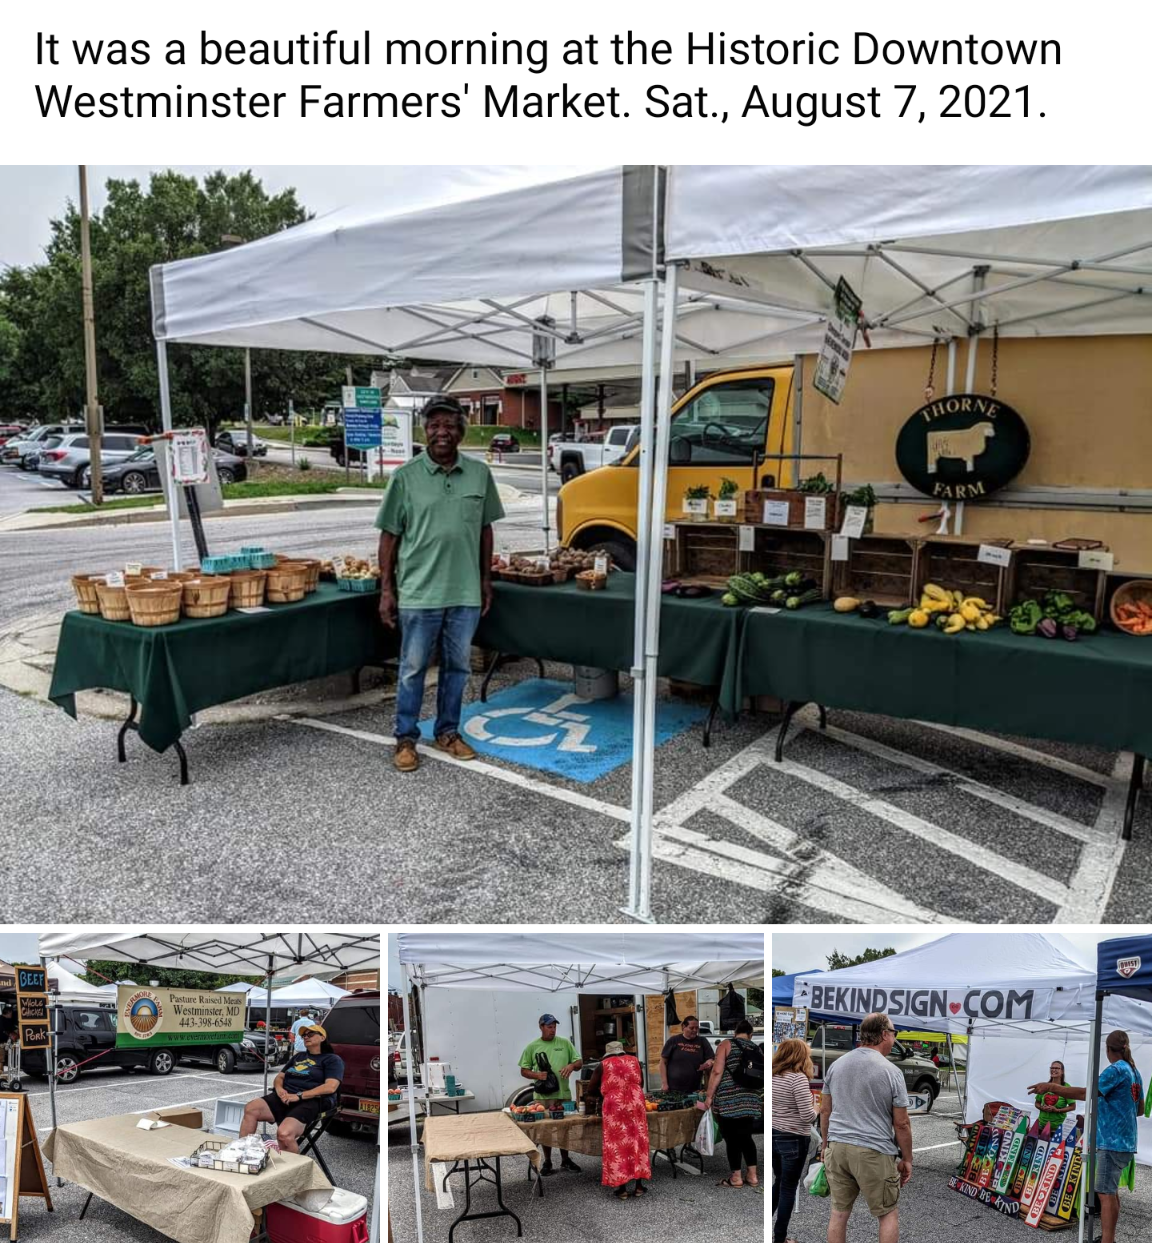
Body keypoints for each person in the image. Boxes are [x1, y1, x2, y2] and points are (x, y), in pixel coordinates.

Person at [376, 396, 505, 773]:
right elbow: (389, 537)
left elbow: (485, 531)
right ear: (425, 431)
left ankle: (448, 731)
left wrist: (485, 579)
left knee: (457, 667)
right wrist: (387, 589)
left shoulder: (479, 475)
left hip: (464, 592)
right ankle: (405, 738)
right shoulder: (405, 477)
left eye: (449, 424)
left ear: (461, 430)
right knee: (413, 668)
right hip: (419, 592)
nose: (441, 432)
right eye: (434, 425)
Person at [1028, 1030, 1144, 1243]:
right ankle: (1109, 1238)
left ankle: (1107, 1241)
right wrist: (1109, 1108)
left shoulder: (1116, 1069)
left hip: (1112, 1141)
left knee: (1105, 1194)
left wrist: (1051, 1087)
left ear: (1108, 1050)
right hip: (1126, 1141)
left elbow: (1085, 1093)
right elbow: (1139, 1109)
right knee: (1112, 1193)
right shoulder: (1134, 1071)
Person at [819, 1012, 912, 1243]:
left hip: (838, 1147)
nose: (894, 1038)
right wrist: (907, 1158)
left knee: (839, 1213)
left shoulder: (837, 1065)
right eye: (893, 1033)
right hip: (873, 1150)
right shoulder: (891, 1072)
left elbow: (825, 1110)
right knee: (887, 1213)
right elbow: (901, 1123)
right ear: (883, 1035)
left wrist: (825, 1143)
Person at [239, 1024, 343, 1154]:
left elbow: (331, 1086)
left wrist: (299, 1095)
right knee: (251, 1108)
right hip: (286, 1095)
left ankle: (291, 1171)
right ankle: (242, 1152)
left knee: (284, 1134)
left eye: (310, 1034)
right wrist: (279, 1089)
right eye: (304, 1035)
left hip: (313, 1100)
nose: (306, 1037)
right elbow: (279, 1077)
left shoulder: (332, 1059)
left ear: (322, 1038)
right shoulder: (298, 1057)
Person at [700, 1017, 762, 1189]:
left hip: (729, 1098)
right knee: (746, 1137)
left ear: (735, 1033)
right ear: (750, 1034)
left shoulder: (727, 1044)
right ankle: (753, 1176)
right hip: (750, 1099)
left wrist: (709, 1096)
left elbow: (717, 1071)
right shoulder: (756, 1047)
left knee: (732, 1138)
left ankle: (736, 1177)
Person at [518, 1014, 583, 1176]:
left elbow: (579, 1063)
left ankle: (565, 1159)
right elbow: (523, 1071)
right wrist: (537, 1076)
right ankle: (547, 1161)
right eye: (549, 1027)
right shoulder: (532, 1047)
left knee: (565, 1128)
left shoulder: (564, 1043)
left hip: (562, 1094)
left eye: (554, 1026)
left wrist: (571, 1066)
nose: (552, 1030)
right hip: (543, 1097)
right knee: (545, 1129)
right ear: (541, 1027)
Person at [587, 1040, 651, 1199]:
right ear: (622, 1051)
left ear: (608, 1053)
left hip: (615, 1106)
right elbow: (640, 1082)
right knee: (637, 1141)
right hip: (635, 1103)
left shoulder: (603, 1064)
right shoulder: (635, 1061)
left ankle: (622, 1189)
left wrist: (605, 1093)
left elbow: (591, 1089)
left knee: (618, 1144)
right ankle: (639, 1187)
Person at [773, 1038, 817, 1243]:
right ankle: (780, 1237)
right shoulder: (797, 1078)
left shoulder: (773, 1076)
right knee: (789, 1188)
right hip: (793, 1137)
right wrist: (818, 1107)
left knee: (779, 1182)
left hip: (774, 1135)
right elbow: (808, 1116)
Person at [660, 1015, 715, 1092]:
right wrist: (664, 1083)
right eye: (691, 1028)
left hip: (695, 1088)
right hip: (673, 1087)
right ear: (683, 1027)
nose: (695, 1030)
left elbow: (710, 1058)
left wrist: (708, 1063)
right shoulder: (674, 1040)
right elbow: (663, 1062)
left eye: (697, 1028)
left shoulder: (702, 1041)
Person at [1033, 1059, 1076, 1133]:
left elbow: (1073, 1107)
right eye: (1052, 1068)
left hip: (1057, 1128)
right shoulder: (1045, 1086)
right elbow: (1037, 1103)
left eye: (1057, 1068)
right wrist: (1042, 1108)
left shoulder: (1066, 1087)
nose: (1054, 1070)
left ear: (1062, 1071)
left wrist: (1057, 1110)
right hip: (1041, 1125)